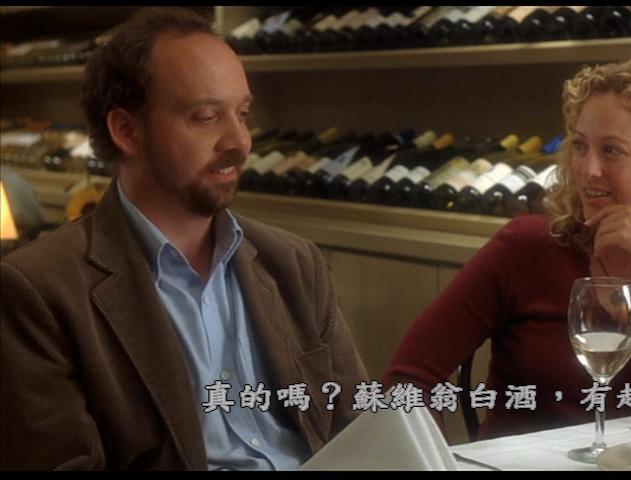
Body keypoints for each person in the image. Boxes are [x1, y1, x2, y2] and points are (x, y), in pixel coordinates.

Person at [1, 8, 368, 470]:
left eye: (242, 114)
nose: (239, 141)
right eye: (206, 117)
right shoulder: (39, 290)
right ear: (127, 131)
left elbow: (357, 423)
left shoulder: (294, 261)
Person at [383, 58, 631, 441]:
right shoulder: (526, 246)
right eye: (580, 146)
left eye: (611, 150)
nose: (588, 169)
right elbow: (408, 379)